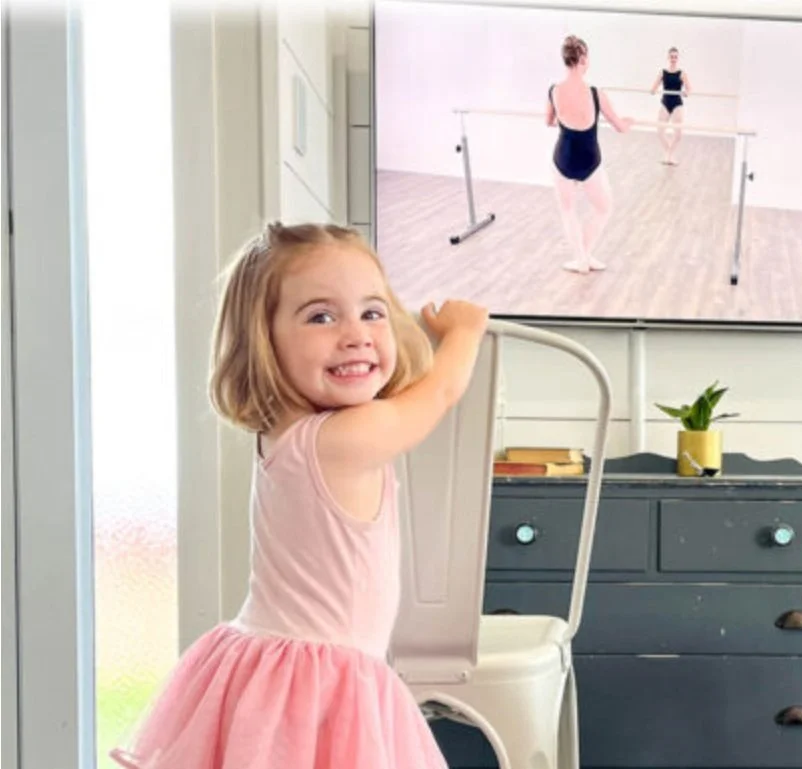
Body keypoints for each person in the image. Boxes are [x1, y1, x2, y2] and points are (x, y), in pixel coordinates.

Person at [109, 222, 490, 769]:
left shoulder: (288, 430)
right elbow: (442, 390)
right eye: (321, 316)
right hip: (319, 686)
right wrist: (464, 332)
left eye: (372, 312)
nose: (356, 334)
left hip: (266, 668)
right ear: (264, 337)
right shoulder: (345, 440)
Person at [547, 35, 634, 274]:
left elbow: (549, 121)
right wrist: (630, 121)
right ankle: (583, 257)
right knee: (604, 208)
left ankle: (582, 258)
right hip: (589, 161)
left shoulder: (554, 91)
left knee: (568, 211)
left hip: (563, 158)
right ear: (583, 58)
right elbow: (620, 127)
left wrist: (567, 120)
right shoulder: (596, 94)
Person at [649, 46, 691, 165]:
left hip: (677, 104)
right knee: (659, 131)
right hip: (665, 103)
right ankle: (669, 155)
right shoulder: (663, 72)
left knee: (678, 134)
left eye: (675, 57)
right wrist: (652, 90)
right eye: (671, 57)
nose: (673, 59)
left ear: (678, 58)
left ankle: (669, 155)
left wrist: (686, 93)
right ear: (668, 57)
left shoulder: (682, 73)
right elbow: (654, 87)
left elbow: (689, 88)